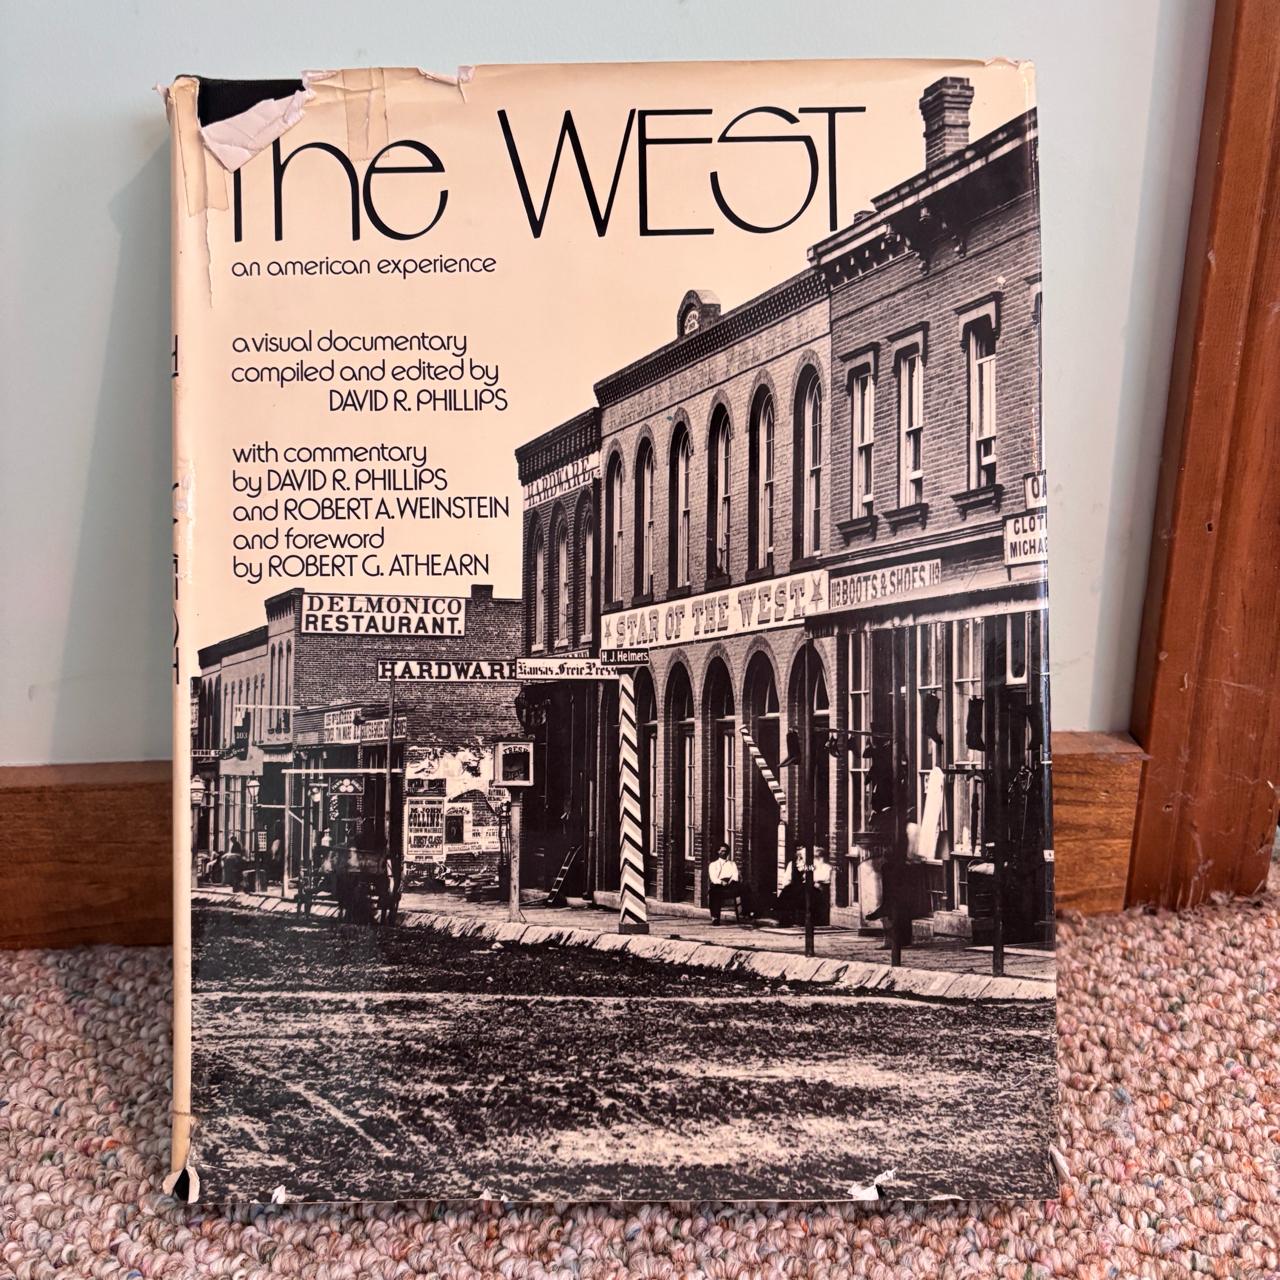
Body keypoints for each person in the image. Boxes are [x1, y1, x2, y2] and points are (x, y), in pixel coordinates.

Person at [707, 844, 751, 924]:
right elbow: (713, 878)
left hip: (731, 886)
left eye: (726, 851)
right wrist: (721, 882)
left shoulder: (732, 864)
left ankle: (748, 912)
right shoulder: (713, 864)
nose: (724, 853)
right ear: (718, 852)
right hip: (719, 886)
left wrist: (731, 881)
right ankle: (715, 917)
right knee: (713, 891)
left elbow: (735, 875)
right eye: (722, 851)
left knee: (746, 887)